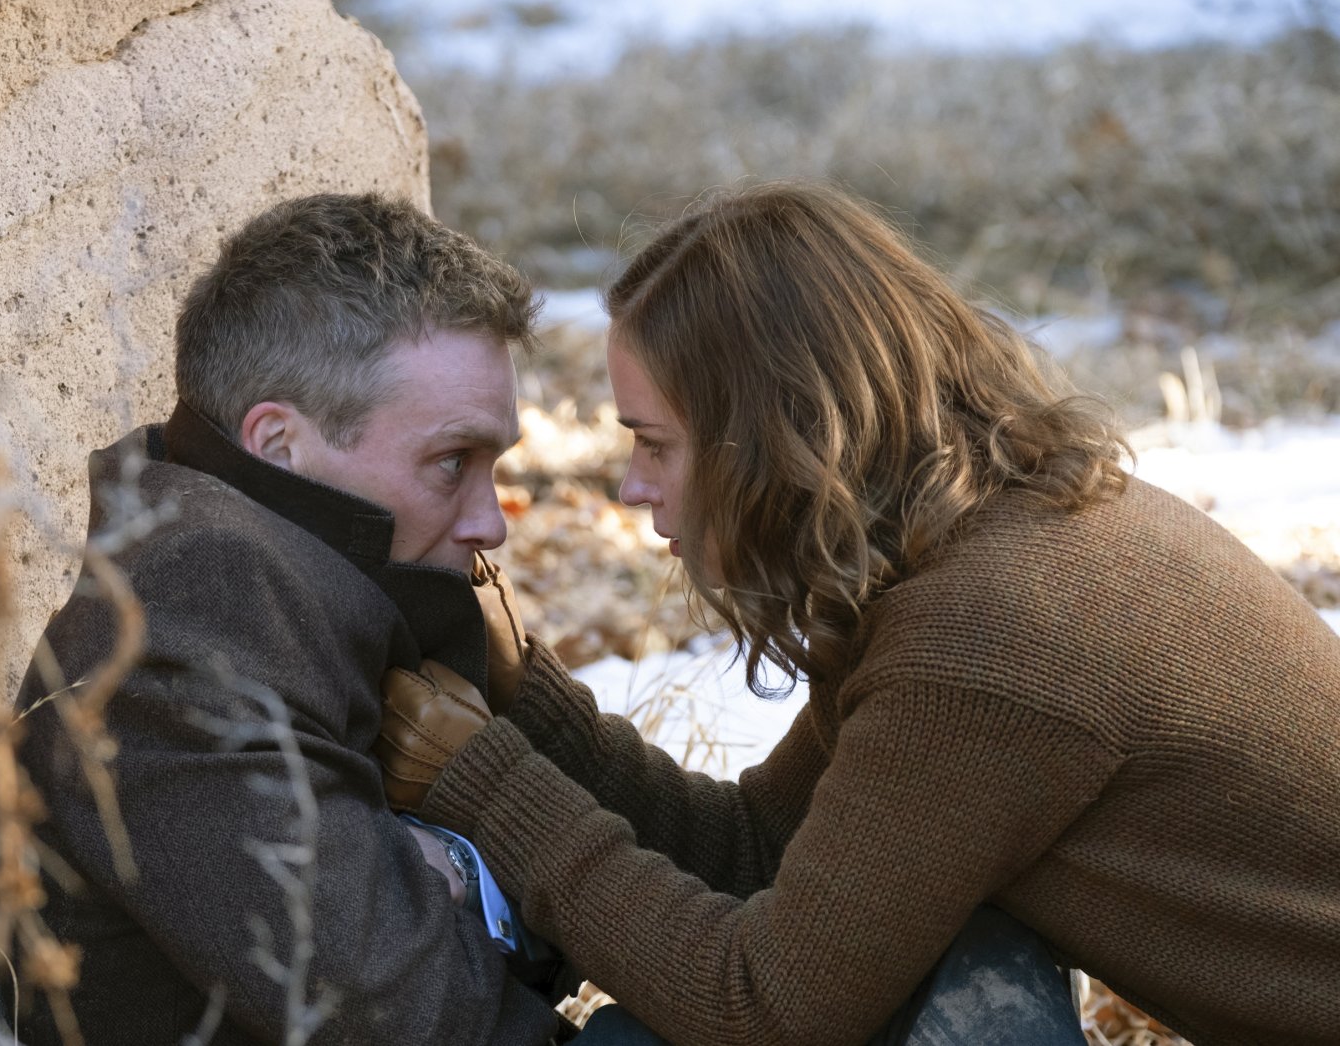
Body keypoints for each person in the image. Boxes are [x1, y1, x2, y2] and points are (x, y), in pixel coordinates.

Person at [373, 182, 1340, 1046]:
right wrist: (529, 700)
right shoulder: (974, 543)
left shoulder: (992, 637)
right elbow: (762, 853)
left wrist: (488, 788)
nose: (631, 486)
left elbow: (760, 1009)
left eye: (656, 445)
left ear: (773, 438)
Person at [5, 193, 564, 1044]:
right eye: (453, 461)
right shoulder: (191, 629)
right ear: (278, 445)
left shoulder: (336, 586)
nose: (491, 519)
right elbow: (423, 1017)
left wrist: (455, 869)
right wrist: (480, 867)